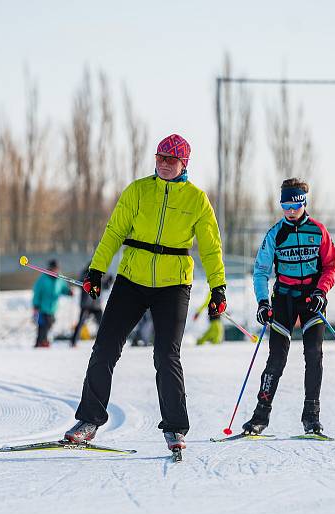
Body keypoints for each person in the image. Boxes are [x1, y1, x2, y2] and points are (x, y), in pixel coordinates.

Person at [63, 134, 226, 454]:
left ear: (184, 164)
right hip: (131, 280)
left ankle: (176, 427)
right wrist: (96, 271)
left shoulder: (197, 199)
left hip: (174, 284)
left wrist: (218, 287)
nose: (164, 164)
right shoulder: (138, 190)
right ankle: (89, 420)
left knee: (166, 354)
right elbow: (114, 232)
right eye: (160, 158)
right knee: (105, 348)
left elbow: (211, 247)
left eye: (171, 159)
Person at [244, 177, 335, 436]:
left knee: (314, 354)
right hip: (284, 298)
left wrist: (322, 291)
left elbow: (331, 267)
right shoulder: (275, 233)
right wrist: (263, 302)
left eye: (294, 205)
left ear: (304, 203)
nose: (290, 211)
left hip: (311, 299)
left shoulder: (318, 231)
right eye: (285, 205)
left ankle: (311, 417)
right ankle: (259, 417)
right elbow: (261, 271)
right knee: (276, 358)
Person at [32, 259, 73, 347]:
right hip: (43, 306)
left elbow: (63, 289)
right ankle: (41, 341)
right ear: (50, 269)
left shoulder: (59, 279)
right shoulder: (43, 279)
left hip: (53, 307)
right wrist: (36, 304)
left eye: (56, 268)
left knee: (49, 323)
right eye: (53, 268)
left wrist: (69, 292)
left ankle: (42, 341)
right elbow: (37, 291)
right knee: (43, 324)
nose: (55, 270)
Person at [69, 263, 109, 347]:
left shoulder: (100, 275)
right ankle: (73, 342)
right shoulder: (85, 274)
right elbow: (80, 282)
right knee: (80, 324)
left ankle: (107, 342)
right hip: (86, 305)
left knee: (103, 324)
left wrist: (109, 281)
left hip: (96, 305)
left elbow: (105, 285)